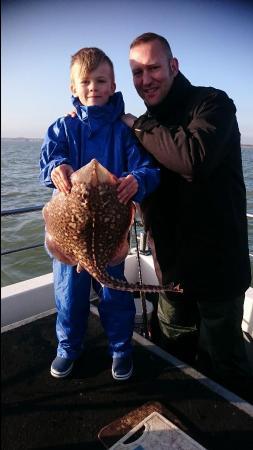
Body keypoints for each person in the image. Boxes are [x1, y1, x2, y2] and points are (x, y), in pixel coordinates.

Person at [122, 32, 252, 386]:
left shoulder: (212, 104)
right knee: (174, 360)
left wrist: (137, 124)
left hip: (219, 274)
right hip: (172, 274)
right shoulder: (140, 130)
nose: (145, 80)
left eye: (153, 68)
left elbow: (192, 159)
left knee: (225, 371)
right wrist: (82, 119)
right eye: (136, 72)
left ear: (173, 66)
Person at [39, 47, 160, 380]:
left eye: (101, 80)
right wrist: (56, 168)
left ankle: (120, 348)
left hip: (109, 238)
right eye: (86, 81)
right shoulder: (63, 128)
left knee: (115, 296)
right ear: (73, 88)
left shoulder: (123, 131)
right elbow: (47, 162)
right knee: (68, 298)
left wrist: (136, 180)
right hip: (71, 240)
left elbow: (148, 169)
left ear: (112, 85)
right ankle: (68, 347)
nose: (93, 87)